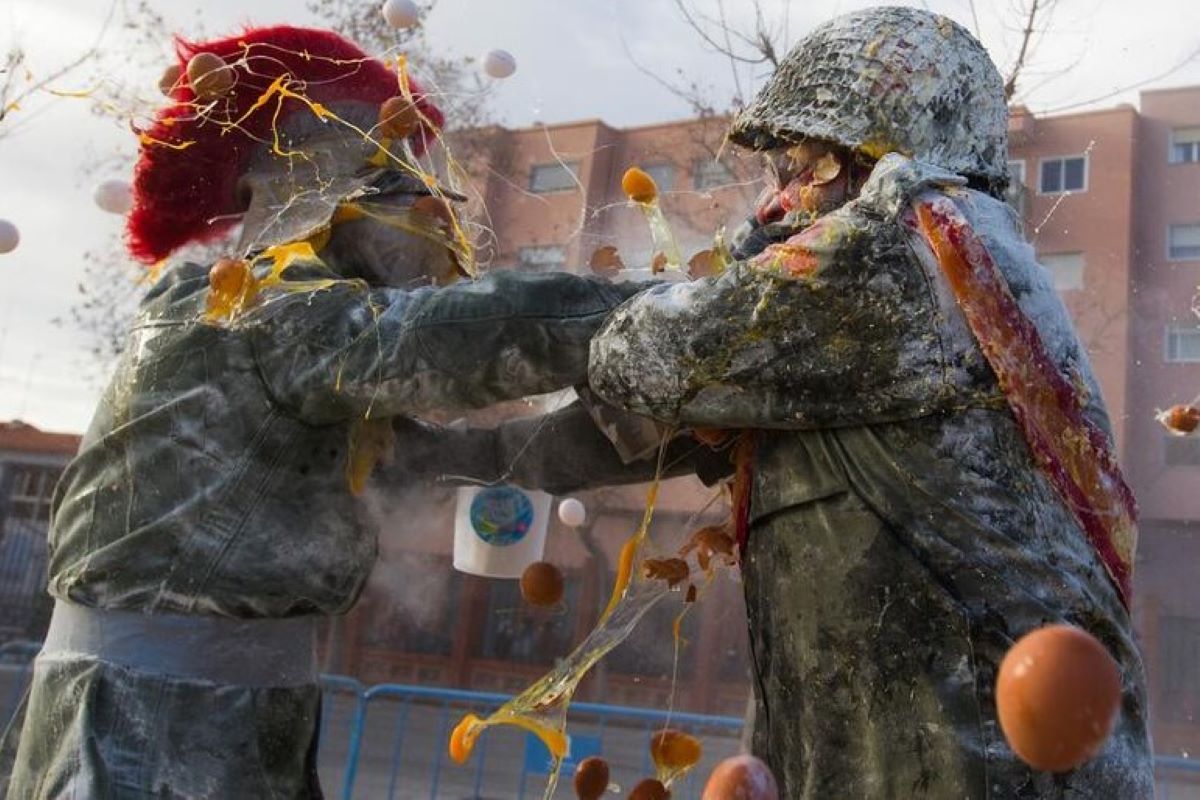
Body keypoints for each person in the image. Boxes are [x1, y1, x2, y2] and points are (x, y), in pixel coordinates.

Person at [0, 25, 668, 798]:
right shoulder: (244, 311)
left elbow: (494, 457)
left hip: (237, 718)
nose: (429, 212)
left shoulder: (307, 362)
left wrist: (665, 439)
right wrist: (680, 310)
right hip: (146, 735)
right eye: (392, 186)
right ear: (315, 194)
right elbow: (471, 336)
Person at [588, 7, 1154, 798]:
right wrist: (440, 454)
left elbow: (639, 354)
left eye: (804, 167)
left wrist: (381, 345)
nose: (773, 205)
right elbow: (622, 424)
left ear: (877, 158)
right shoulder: (931, 278)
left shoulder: (911, 248)